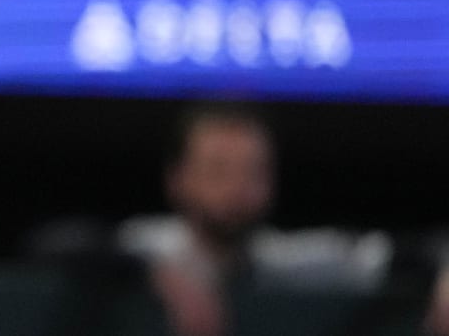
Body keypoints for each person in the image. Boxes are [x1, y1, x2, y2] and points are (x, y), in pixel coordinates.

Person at [117, 104, 391, 336]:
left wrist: (436, 277)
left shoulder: (289, 260)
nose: (237, 187)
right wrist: (158, 273)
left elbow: (386, 256)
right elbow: (87, 249)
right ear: (177, 179)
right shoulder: (137, 247)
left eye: (252, 171)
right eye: (218, 170)